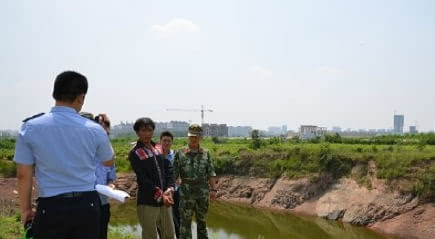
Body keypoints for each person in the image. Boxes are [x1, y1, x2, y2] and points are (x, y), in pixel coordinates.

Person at [14, 71, 114, 239]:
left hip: (51, 206)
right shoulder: (94, 129)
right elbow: (107, 161)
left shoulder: (30, 127)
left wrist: (25, 210)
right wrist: (102, 131)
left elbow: (23, 175)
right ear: (81, 98)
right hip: (87, 204)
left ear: (54, 93)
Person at [128, 117, 175, 239]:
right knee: (150, 235)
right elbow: (143, 179)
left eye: (149, 130)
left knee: (169, 234)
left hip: (165, 199)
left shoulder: (158, 148)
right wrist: (161, 195)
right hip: (148, 201)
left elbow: (168, 168)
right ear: (137, 132)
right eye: (143, 130)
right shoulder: (135, 153)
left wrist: (170, 188)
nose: (147, 133)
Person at [173, 124, 217, 239]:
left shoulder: (206, 153)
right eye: (191, 136)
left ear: (201, 137)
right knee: (185, 224)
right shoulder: (180, 153)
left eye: (196, 136)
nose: (194, 139)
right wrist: (170, 190)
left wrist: (213, 190)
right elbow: (174, 174)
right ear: (188, 137)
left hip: (202, 193)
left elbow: (211, 173)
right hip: (186, 193)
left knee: (202, 223)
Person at [80, 112, 117, 239]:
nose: (103, 127)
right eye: (100, 124)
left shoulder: (109, 149)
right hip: (83, 200)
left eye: (106, 124)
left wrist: (111, 184)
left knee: (102, 233)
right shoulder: (82, 147)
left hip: (102, 201)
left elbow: (111, 175)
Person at [159, 131, 180, 239]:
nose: (166, 143)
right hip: (160, 192)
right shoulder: (155, 155)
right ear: (160, 141)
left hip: (175, 191)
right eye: (164, 140)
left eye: (169, 141)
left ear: (172, 142)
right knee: (161, 219)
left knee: (176, 218)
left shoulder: (176, 155)